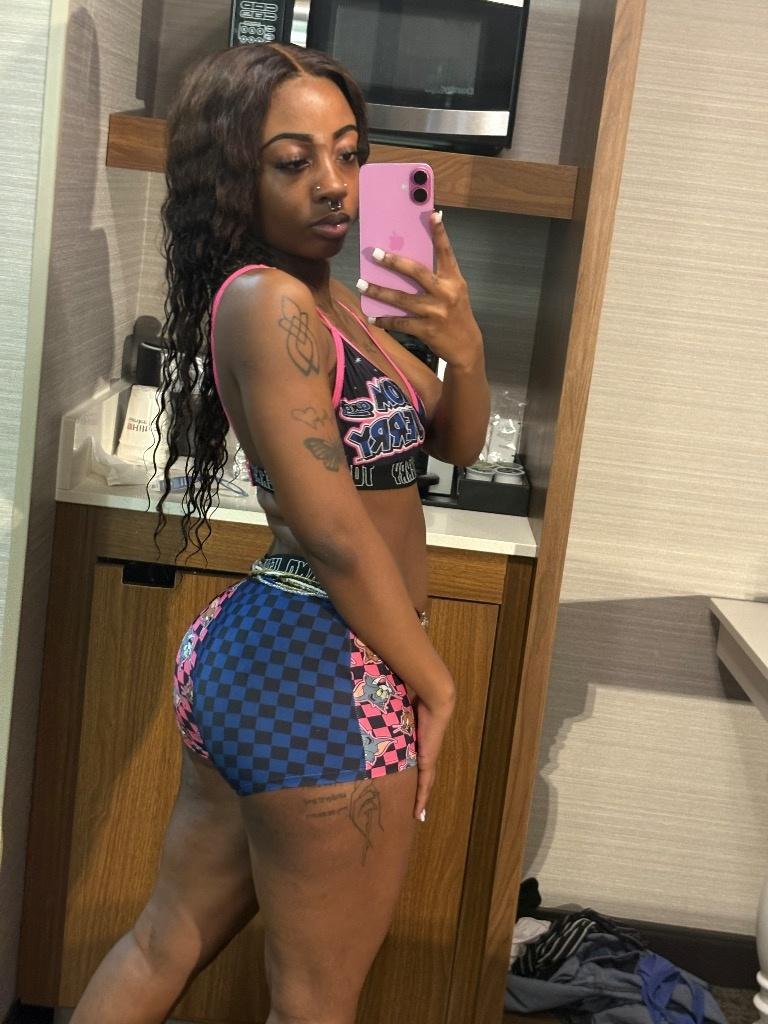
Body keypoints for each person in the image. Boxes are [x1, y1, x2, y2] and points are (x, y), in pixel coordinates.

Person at [71, 41, 489, 1024]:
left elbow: (457, 440)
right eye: (294, 161)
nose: (333, 183)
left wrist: (465, 347)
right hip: (324, 669)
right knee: (314, 1002)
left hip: (274, 656)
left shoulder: (333, 300)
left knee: (166, 939)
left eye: (347, 153)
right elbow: (330, 528)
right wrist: (436, 682)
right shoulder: (267, 300)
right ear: (235, 179)